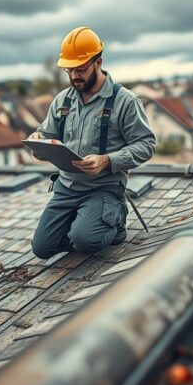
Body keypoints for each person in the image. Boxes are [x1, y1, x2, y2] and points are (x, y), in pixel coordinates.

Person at [29, 27, 156, 259]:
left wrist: (107, 160)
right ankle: (85, 223)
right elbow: (45, 135)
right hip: (66, 189)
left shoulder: (125, 101)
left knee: (87, 241)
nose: (74, 76)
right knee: (42, 249)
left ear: (98, 62)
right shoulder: (62, 101)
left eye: (80, 69)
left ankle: (114, 222)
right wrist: (38, 142)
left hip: (103, 189)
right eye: (69, 70)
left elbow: (146, 144)